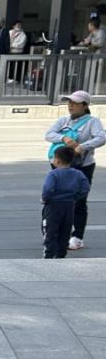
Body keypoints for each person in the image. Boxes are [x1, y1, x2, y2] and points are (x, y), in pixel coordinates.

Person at [44, 89, 104, 250]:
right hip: (59, 165)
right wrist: (63, 138)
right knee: (58, 200)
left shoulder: (93, 122)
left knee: (79, 201)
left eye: (75, 103)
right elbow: (49, 134)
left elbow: (101, 138)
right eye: (69, 102)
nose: (70, 105)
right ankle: (55, 233)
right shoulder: (63, 120)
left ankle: (77, 237)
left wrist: (82, 147)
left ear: (85, 106)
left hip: (82, 166)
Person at [42, 146, 89, 259]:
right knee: (65, 230)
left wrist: (45, 198)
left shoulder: (53, 174)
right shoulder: (78, 174)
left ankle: (49, 254)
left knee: (51, 230)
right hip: (69, 204)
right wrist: (76, 197)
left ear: (57, 160)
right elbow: (85, 188)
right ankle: (61, 254)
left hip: (53, 205)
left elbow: (48, 189)